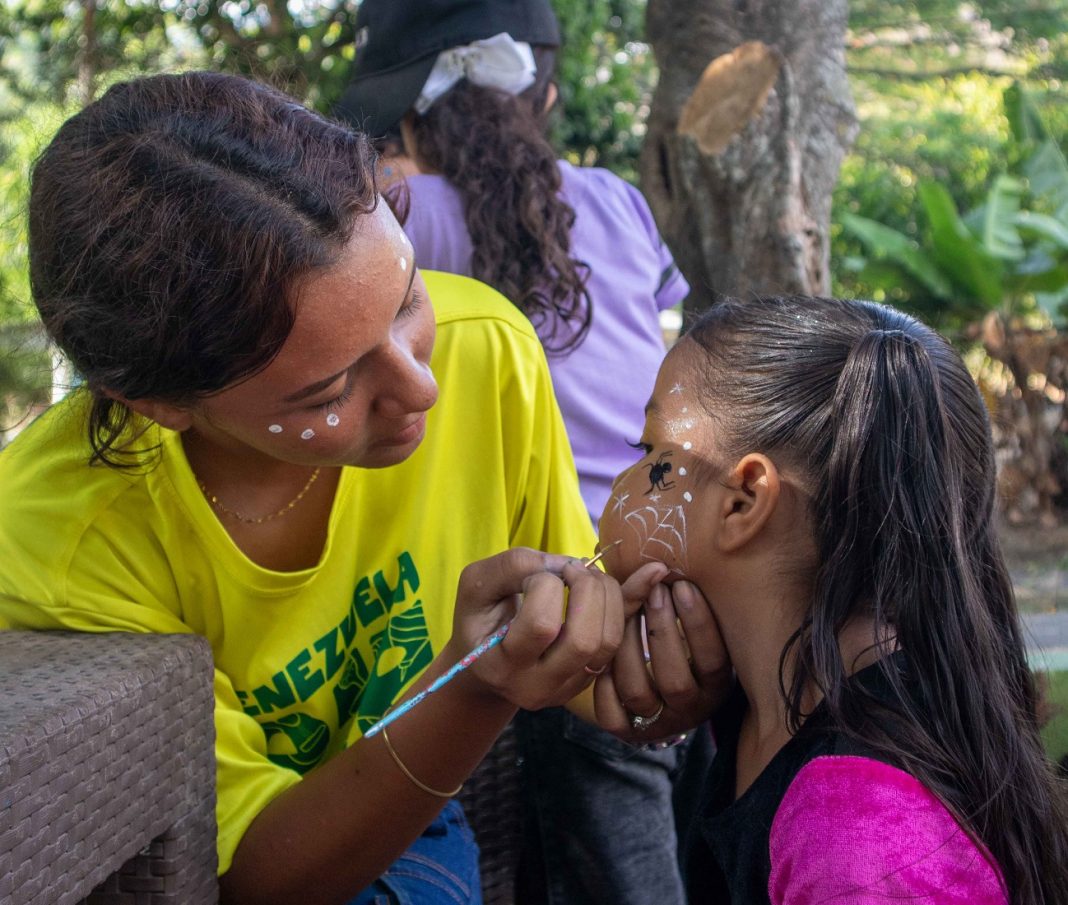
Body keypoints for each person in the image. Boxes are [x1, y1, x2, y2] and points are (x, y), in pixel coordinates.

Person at [0, 70, 640, 905]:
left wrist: (660, 648)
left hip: (419, 806)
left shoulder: (486, 349)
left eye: (408, 300)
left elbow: (602, 676)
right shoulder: (58, 532)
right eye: (329, 392)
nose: (422, 391)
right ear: (158, 403)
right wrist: (476, 684)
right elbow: (257, 873)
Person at [336, 4, 703, 903]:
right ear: (540, 100)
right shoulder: (616, 199)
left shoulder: (401, 212)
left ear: (409, 121)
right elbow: (657, 362)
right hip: (680, 541)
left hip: (567, 591)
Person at [591, 294, 1068, 903]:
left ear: (743, 501)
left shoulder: (860, 842)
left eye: (649, 451)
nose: (625, 480)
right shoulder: (765, 699)